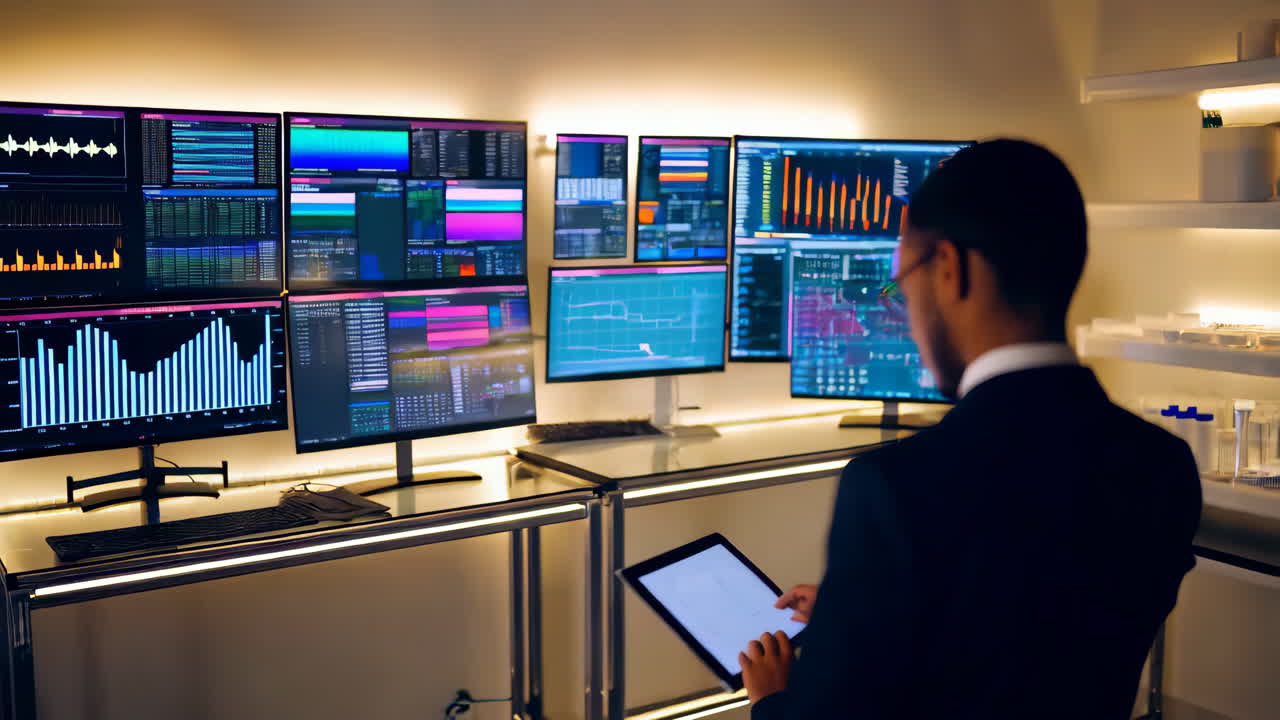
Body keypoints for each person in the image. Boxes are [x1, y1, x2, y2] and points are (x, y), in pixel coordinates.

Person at [739, 139, 1202, 719]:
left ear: (951, 269)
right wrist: (860, 606)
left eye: (902, 282)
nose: (905, 315)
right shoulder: (1161, 466)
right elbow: (1033, 623)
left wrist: (773, 698)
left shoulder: (894, 488)